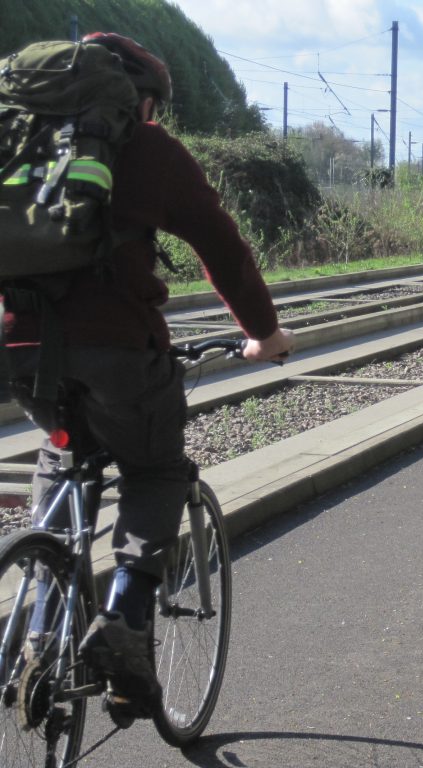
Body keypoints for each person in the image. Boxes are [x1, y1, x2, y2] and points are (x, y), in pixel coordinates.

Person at [4, 33, 294, 715]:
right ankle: (126, 619)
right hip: (117, 350)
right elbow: (225, 249)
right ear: (137, 97)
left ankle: (41, 629)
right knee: (157, 470)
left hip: (17, 344)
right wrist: (264, 334)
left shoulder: (19, 138)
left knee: (59, 452)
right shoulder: (150, 150)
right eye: (153, 106)